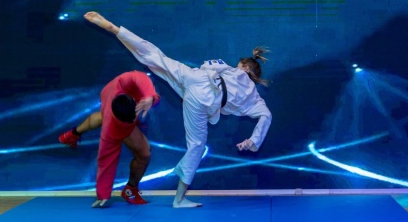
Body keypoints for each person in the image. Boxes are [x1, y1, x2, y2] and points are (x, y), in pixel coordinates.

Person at [84, 11, 272, 208]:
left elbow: (207, 66)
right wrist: (253, 141)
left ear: (245, 68)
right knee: (197, 145)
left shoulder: (229, 69)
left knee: (156, 57)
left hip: (194, 81)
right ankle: (179, 199)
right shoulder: (253, 96)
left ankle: (115, 29)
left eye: (240, 65)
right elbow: (266, 115)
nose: (237, 67)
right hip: (204, 98)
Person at [59, 71, 160, 208]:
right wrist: (103, 193)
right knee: (144, 154)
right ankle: (130, 189)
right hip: (110, 103)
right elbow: (106, 159)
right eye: (131, 120)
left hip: (112, 90)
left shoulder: (126, 81)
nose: (134, 120)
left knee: (103, 115)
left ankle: (72, 134)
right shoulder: (111, 129)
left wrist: (149, 95)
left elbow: (139, 76)